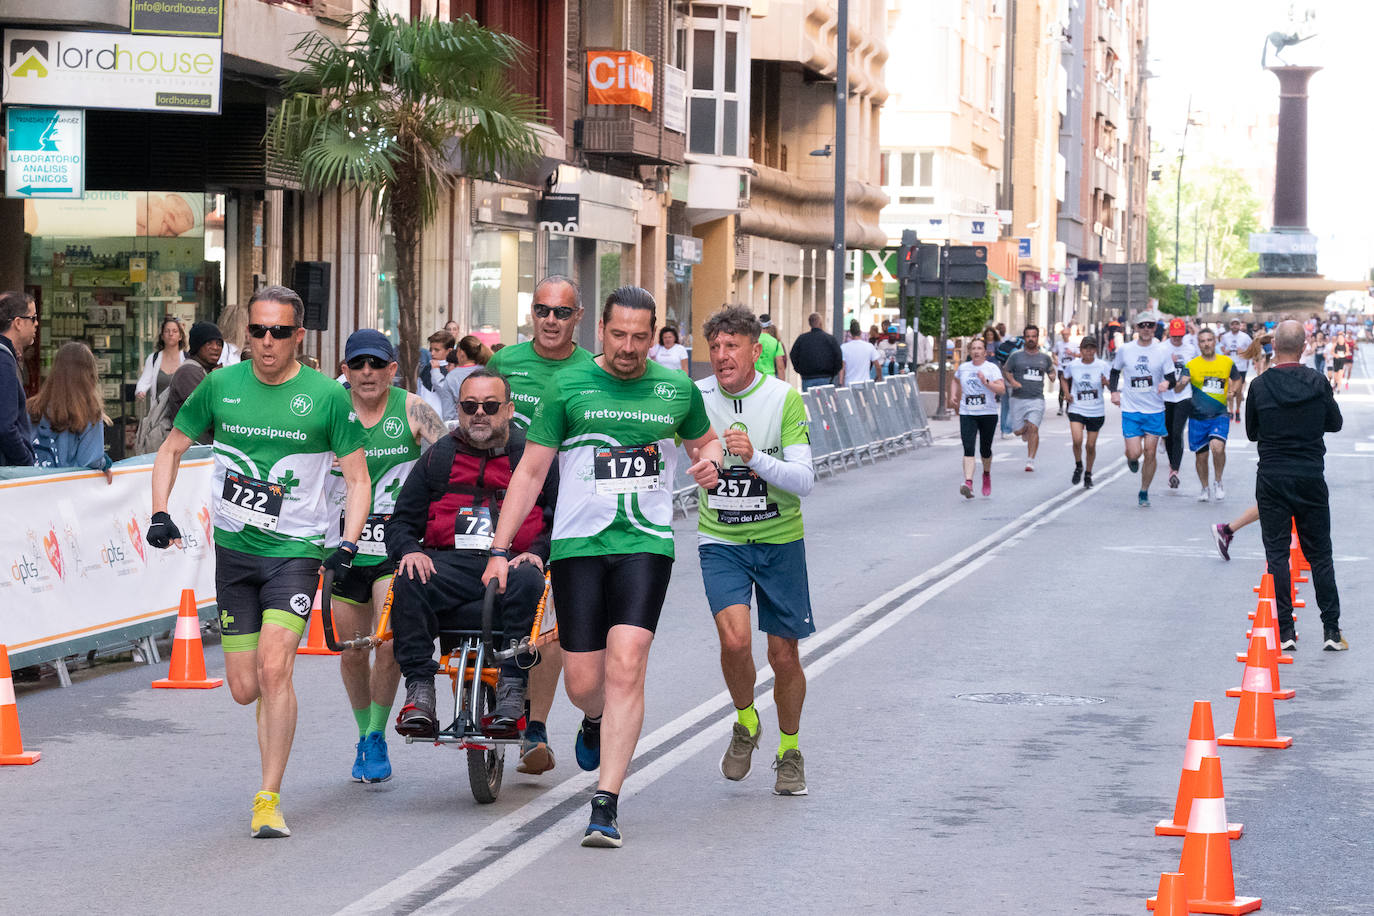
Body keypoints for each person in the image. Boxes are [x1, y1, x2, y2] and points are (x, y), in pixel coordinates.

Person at [481, 286, 723, 848]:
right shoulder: (568, 387)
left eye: (641, 337)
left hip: (644, 544)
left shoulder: (674, 389)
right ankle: (593, 719)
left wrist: (710, 464)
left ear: (654, 335)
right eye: (619, 335)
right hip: (577, 548)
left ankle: (606, 802)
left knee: (627, 664)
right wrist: (499, 549)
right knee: (583, 682)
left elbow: (705, 445)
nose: (629, 348)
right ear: (602, 332)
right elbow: (531, 473)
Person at [146, 285, 371, 838]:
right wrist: (159, 512)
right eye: (257, 331)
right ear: (246, 334)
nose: (266, 342)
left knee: (276, 670)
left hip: (294, 553)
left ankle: (268, 796)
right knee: (245, 685)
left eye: (278, 332)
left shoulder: (325, 397)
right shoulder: (221, 385)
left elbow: (359, 478)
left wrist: (347, 543)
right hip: (234, 552)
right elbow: (171, 447)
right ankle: (272, 712)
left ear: (299, 336)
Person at [388, 369, 556, 738]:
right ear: (459, 410)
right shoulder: (438, 457)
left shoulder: (532, 457)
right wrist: (410, 551)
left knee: (529, 576)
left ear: (509, 410)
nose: (479, 413)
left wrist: (539, 553)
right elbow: (399, 524)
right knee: (408, 576)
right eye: (470, 406)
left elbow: (558, 519)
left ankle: (513, 688)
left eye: (490, 406)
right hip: (451, 566)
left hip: (513, 566)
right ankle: (420, 690)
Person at [692, 306, 815, 795]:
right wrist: (703, 470)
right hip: (720, 538)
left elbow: (804, 480)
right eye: (715, 348)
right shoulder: (696, 397)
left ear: (755, 350)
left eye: (731, 346)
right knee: (735, 642)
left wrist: (753, 458)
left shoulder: (783, 399)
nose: (722, 357)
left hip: (779, 538)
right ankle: (746, 720)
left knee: (783, 655)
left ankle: (790, 751)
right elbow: (683, 449)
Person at [486, 275, 594, 774]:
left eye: (562, 312)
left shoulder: (591, 369)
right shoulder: (505, 362)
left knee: (545, 618)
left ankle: (536, 729)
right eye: (543, 310)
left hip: (561, 504)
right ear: (532, 313)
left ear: (578, 318)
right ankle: (490, 699)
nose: (551, 320)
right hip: (497, 498)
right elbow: (477, 420)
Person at [329, 329, 447, 784]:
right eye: (357, 364)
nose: (367, 373)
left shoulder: (414, 410)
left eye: (376, 364)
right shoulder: (330, 409)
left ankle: (377, 734)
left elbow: (447, 464)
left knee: (389, 642)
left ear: (393, 369)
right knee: (352, 650)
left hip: (393, 545)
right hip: (341, 546)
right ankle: (364, 734)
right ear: (345, 370)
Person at [1245, 319, 1345, 651]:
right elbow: (1335, 423)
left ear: (1273, 346)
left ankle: (1286, 631)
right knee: (1320, 555)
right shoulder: (1317, 382)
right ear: (1304, 347)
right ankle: (1331, 630)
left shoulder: (1259, 385)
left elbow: (1251, 432)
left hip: (1272, 476)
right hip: (1309, 475)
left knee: (1277, 554)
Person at [1109, 310, 1179, 508]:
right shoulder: (1125, 350)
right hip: (1131, 409)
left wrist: (1167, 384)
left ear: (1155, 328)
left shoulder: (1162, 351)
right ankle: (1131, 459)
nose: (1146, 329)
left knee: (1150, 452)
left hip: (1155, 410)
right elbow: (1114, 372)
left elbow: (1172, 378)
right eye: (1142, 325)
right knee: (1134, 453)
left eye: (1150, 325)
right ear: (1136, 328)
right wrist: (1114, 392)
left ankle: (1144, 490)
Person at [27, 341, 113, 482]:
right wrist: (105, 463)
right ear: (90, 373)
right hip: (69, 490)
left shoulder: (32, 408)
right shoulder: (90, 413)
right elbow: (90, 459)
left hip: (33, 486)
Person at [1183, 328, 1240, 502]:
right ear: (1198, 344)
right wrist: (1180, 384)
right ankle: (1205, 488)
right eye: (1203, 341)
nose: (1206, 343)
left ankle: (1218, 481)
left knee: (1217, 447)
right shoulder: (1191, 365)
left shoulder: (1226, 362)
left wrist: (1234, 391)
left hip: (1219, 414)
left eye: (1209, 340)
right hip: (1197, 417)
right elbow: (1179, 387)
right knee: (1201, 456)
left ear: (1215, 341)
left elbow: (1237, 378)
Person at [950, 337, 1005, 497]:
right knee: (968, 448)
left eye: (979, 348)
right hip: (968, 413)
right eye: (973, 348)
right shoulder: (964, 367)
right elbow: (955, 380)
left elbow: (1001, 389)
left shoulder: (992, 368)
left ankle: (986, 474)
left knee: (985, 449)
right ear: (969, 351)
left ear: (985, 352)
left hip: (988, 413)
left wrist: (986, 381)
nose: (976, 351)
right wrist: (953, 394)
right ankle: (968, 482)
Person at [1002, 325, 1053, 472]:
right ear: (1024, 338)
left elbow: (1051, 370)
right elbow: (1006, 370)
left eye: (1034, 336)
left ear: (1037, 338)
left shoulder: (1044, 357)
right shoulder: (1016, 356)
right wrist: (1012, 382)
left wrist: (1052, 376)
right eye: (1028, 336)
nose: (1031, 339)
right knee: (1017, 431)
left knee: (1034, 428)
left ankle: (1030, 460)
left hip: (1037, 398)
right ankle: (1023, 430)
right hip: (1018, 398)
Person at [165, 323, 224, 442]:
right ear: (198, 345)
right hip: (191, 452)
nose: (215, 347)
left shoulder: (205, 371)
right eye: (209, 343)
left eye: (219, 343)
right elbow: (209, 414)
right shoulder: (189, 372)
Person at [1065, 335, 1111, 488]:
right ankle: (1079, 465)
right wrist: (1066, 393)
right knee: (1077, 440)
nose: (1089, 351)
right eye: (1086, 348)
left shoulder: (1103, 365)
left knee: (1090, 446)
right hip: (1077, 407)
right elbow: (1064, 378)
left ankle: (1088, 473)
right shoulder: (1073, 365)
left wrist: (1107, 383)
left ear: (1096, 350)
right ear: (1081, 350)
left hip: (1096, 410)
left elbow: (1112, 385)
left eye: (1092, 348)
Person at [1162, 317, 1201, 490]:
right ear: (1170, 333)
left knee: (1177, 432)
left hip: (1184, 396)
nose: (1177, 339)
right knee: (1167, 433)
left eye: (1180, 335)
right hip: (1165, 397)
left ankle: (1175, 470)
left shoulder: (1191, 349)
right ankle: (1172, 464)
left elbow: (1198, 369)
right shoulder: (1162, 348)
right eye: (1174, 335)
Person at [0, 291, 38, 466]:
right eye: (33, 318)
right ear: (18, 323)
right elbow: (6, 426)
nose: (36, 323)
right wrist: (26, 462)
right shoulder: (4, 361)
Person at [437, 334, 493, 422]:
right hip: (486, 424)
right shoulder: (487, 371)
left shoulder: (452, 376)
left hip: (462, 427)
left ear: (461, 352)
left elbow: (448, 413)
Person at [135, 316, 187, 401]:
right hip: (159, 412)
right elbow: (144, 380)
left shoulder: (187, 359)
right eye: (167, 331)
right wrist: (140, 391)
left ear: (180, 336)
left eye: (175, 331)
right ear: (162, 336)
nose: (171, 334)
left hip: (181, 412)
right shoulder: (153, 358)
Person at [790, 313, 844, 390]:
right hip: (826, 377)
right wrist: (833, 373)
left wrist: (799, 370)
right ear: (821, 323)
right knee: (824, 401)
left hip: (807, 378)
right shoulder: (830, 339)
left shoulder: (802, 339)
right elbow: (838, 357)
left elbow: (793, 355)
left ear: (809, 323)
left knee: (809, 401)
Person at [1218, 318, 1253, 421]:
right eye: (1233, 324)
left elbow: (1252, 350)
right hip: (1228, 365)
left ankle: (1237, 410)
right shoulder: (1225, 337)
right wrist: (1224, 351)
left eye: (1237, 324)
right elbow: (1220, 347)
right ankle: (1230, 410)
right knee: (1229, 390)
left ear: (1239, 325)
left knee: (1238, 392)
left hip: (1241, 366)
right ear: (1230, 325)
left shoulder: (1245, 337)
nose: (1235, 326)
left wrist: (1244, 352)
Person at [993, 330, 1022, 436]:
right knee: (1013, 404)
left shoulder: (1010, 343)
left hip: (1002, 376)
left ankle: (1003, 429)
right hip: (1011, 377)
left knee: (1005, 404)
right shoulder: (1019, 349)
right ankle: (1008, 429)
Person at [1052, 325, 1077, 416]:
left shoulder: (1074, 344)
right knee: (1062, 388)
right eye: (1063, 334)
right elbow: (1054, 353)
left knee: (1070, 388)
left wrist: (1072, 353)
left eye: (1066, 334)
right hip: (1061, 368)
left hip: (1071, 369)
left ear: (1069, 334)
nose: (1065, 336)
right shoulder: (1059, 344)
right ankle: (1060, 407)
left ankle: (1068, 407)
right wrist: (1055, 359)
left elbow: (1080, 355)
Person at [419, 329, 455, 394]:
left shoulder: (452, 370)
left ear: (449, 351)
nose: (432, 353)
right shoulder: (428, 367)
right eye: (431, 349)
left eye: (437, 350)